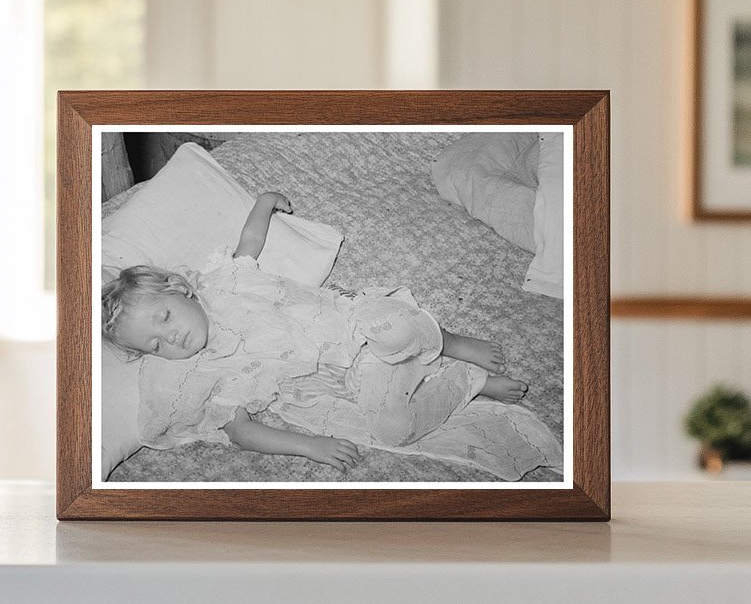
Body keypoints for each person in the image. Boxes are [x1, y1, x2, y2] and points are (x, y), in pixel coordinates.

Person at [101, 192, 553, 477]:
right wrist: (308, 446)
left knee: (394, 329)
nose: (170, 341)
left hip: (354, 325)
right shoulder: (211, 374)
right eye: (153, 346)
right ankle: (466, 384)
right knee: (395, 431)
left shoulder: (224, 282)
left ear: (179, 290)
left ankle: (450, 343)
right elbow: (241, 432)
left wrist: (263, 202)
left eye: (163, 320)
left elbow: (250, 243)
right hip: (347, 378)